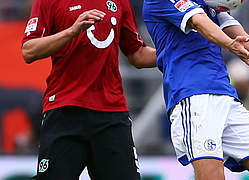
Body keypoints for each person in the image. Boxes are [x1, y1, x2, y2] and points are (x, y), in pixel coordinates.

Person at [143, 0, 249, 179]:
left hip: (226, 95)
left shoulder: (207, 3)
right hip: (193, 96)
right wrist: (229, 44)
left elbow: (242, 37)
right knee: (213, 176)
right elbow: (198, 21)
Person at [21, 0, 156, 179]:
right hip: (65, 110)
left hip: (111, 113)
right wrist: (72, 31)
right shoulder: (48, 1)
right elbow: (29, 51)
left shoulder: (120, 2)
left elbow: (137, 54)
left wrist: (174, 53)